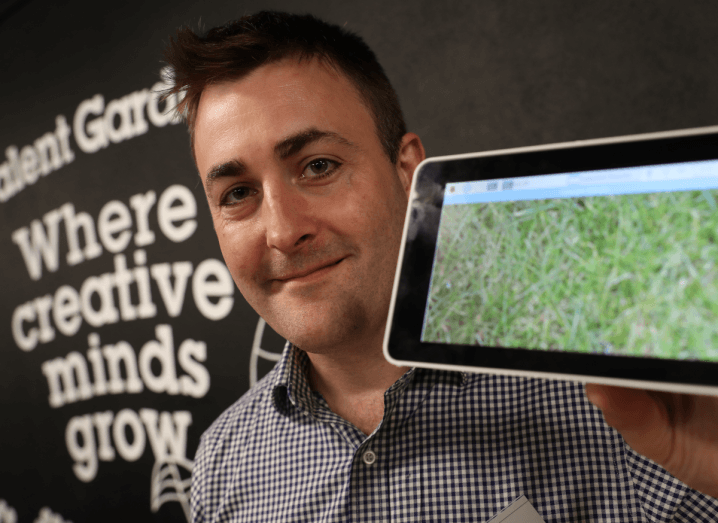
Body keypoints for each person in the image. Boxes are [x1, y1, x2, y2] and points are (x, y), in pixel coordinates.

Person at [163, 10, 718, 522]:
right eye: (237, 194)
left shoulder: (616, 401)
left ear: (408, 170)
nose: (284, 231)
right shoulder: (222, 461)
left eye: (319, 166)